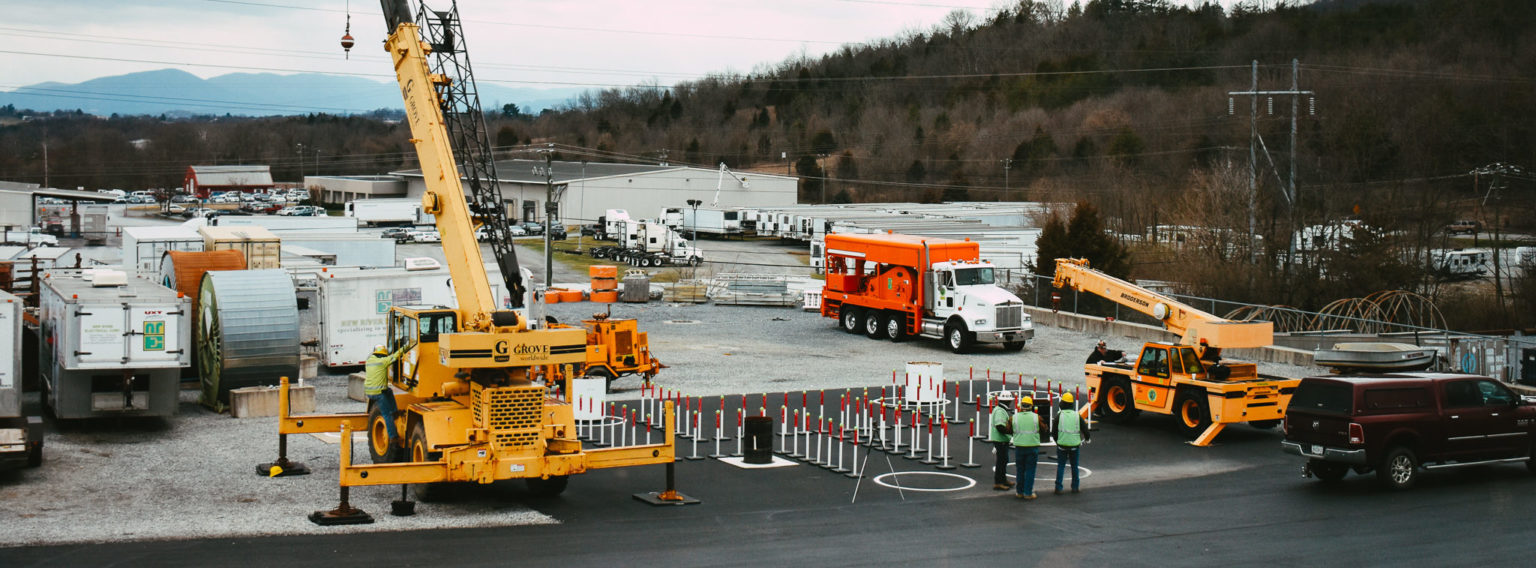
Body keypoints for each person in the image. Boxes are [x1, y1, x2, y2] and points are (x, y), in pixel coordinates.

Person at [365, 342, 413, 456]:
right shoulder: (383, 362)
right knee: (387, 415)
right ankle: (393, 437)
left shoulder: (369, 361)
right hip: (378, 393)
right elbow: (396, 356)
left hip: (369, 392)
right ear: (382, 355)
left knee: (389, 391)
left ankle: (395, 411)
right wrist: (406, 346)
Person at [1052, 392, 1090, 494]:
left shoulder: (1059, 416)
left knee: (1061, 466)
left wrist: (1057, 441)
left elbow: (1054, 431)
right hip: (1074, 446)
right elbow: (1085, 429)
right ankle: (1075, 487)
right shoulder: (1077, 416)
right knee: (1074, 466)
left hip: (1062, 446)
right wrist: (1087, 438)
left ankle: (1058, 487)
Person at [1011, 395, 1041, 500]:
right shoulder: (1036, 417)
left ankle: (1019, 491)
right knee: (1030, 470)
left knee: (1020, 470)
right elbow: (1044, 428)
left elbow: (1007, 428)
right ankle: (1028, 492)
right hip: (1032, 446)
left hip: (1019, 446)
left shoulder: (1015, 417)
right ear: (1031, 406)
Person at [988, 392, 1016, 491]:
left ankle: (1003, 480)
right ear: (1008, 401)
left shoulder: (1000, 409)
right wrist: (1009, 432)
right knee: (1001, 461)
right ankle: (999, 482)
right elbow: (1000, 426)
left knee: (1003, 460)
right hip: (1000, 440)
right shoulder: (1000, 411)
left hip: (1000, 439)